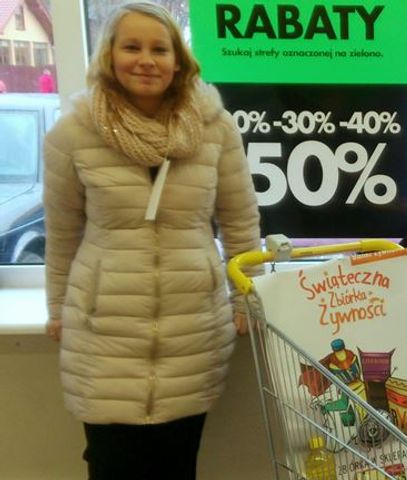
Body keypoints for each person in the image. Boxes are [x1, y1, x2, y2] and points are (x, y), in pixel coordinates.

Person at [42, 3, 261, 479]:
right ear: (110, 55)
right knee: (111, 465)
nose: (146, 60)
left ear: (178, 60)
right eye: (132, 47)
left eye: (159, 49)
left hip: (191, 328)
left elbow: (240, 221)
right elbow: (61, 234)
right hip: (104, 329)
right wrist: (57, 307)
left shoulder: (215, 129)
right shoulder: (72, 133)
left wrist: (247, 299)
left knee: (176, 466)